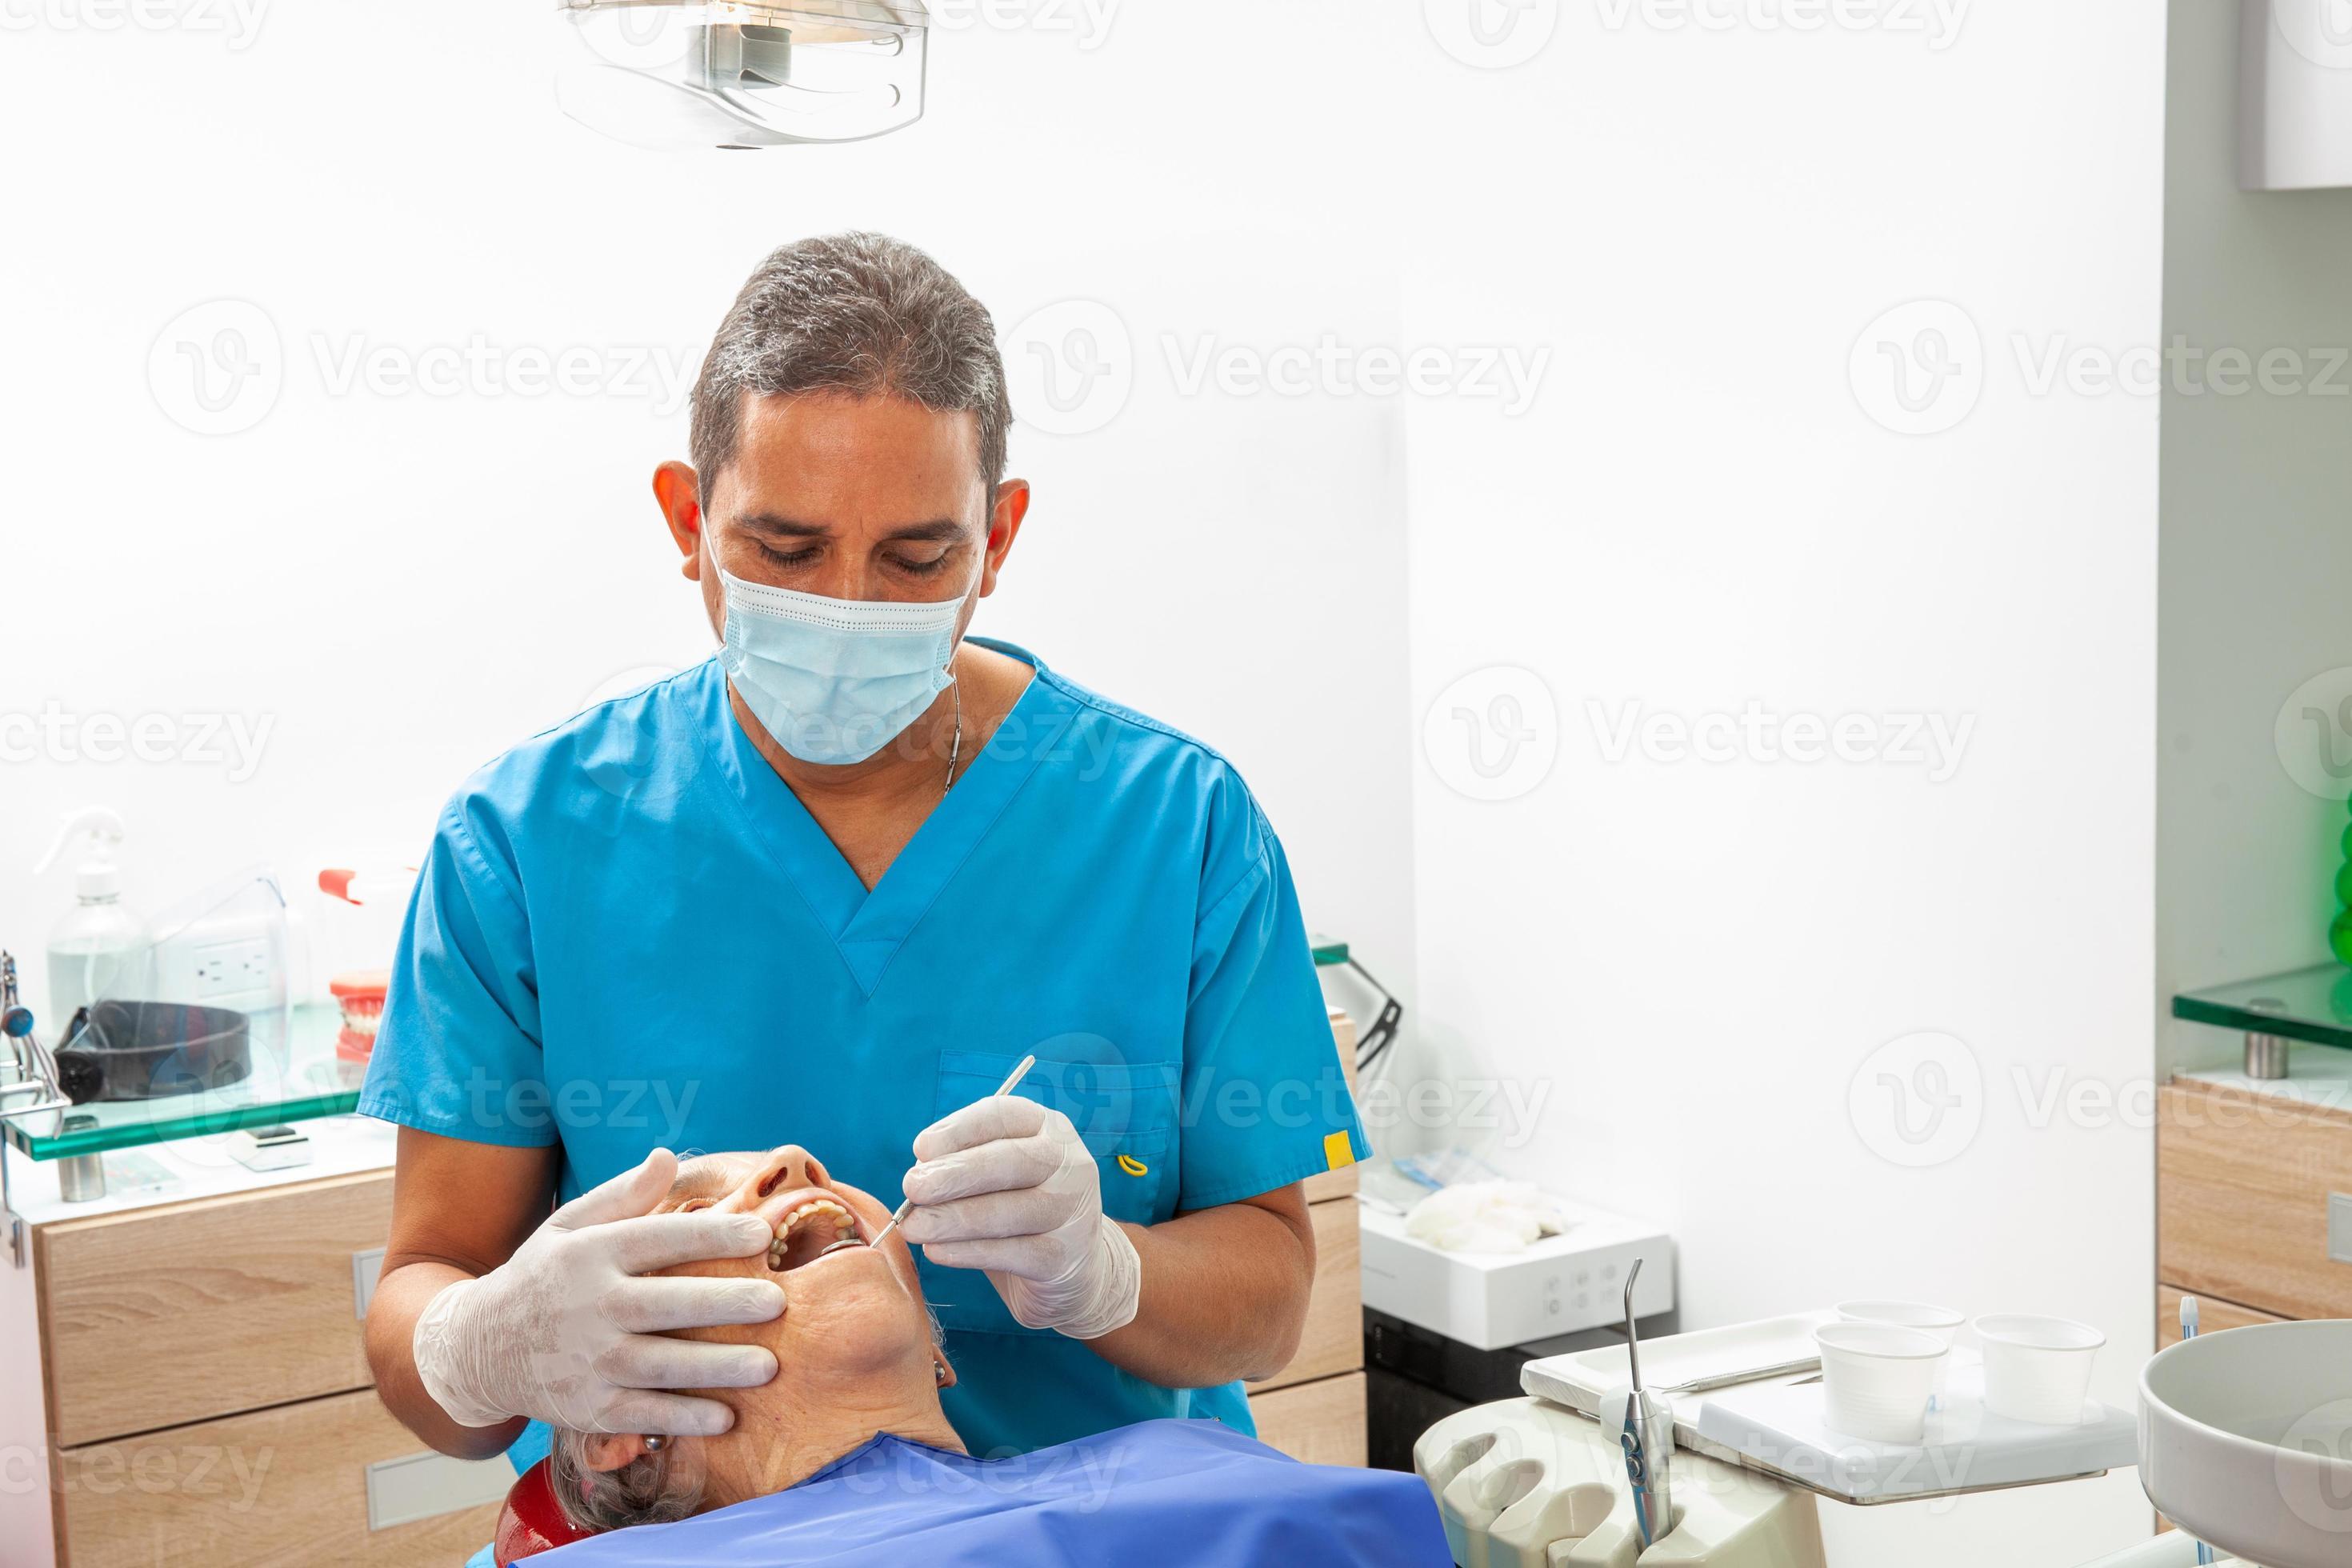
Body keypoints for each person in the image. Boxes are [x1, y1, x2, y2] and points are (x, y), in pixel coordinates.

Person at [359, 232, 1370, 1474]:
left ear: (997, 539)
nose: (847, 607)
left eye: (915, 557)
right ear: (689, 518)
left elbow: (1267, 1303)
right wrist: (480, 1347)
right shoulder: (523, 844)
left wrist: (1105, 1271)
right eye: (785, 551)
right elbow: (429, 1303)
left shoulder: (1177, 825)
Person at [482, 1146, 1446, 1567]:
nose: (794, 1160)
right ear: (618, 1422)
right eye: (694, 1212)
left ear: (938, 1355)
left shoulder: (1220, 1488)